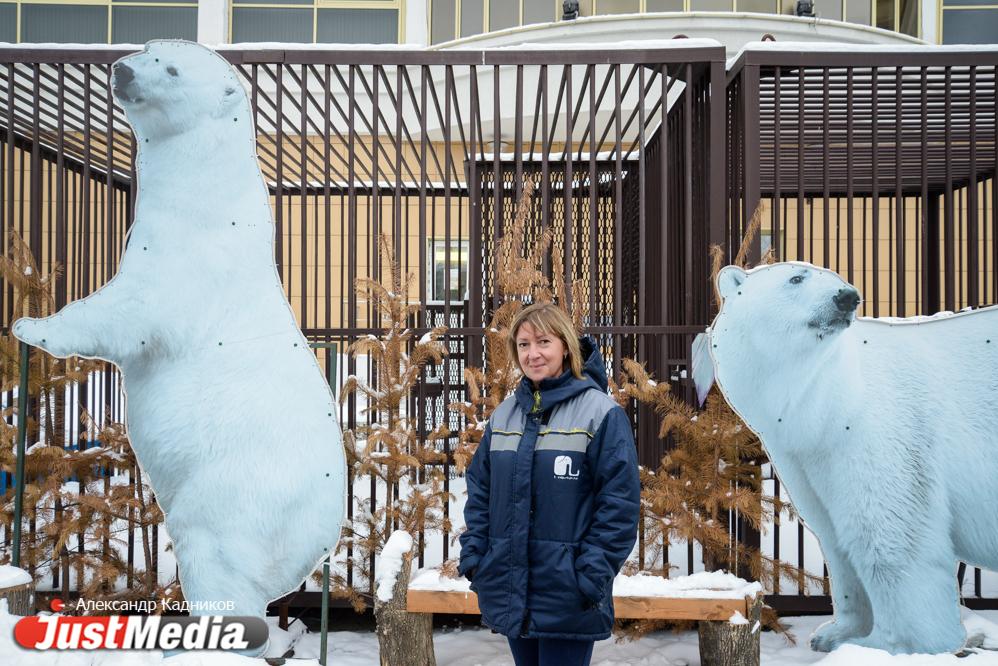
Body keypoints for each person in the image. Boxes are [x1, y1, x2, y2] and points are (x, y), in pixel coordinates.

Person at [459, 302, 640, 666]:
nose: (533, 353)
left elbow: (619, 505)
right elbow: (480, 492)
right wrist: (477, 557)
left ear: (566, 346)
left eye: (543, 342)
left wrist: (589, 576)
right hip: (510, 587)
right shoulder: (505, 415)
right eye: (524, 345)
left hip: (569, 594)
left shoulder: (600, 413)